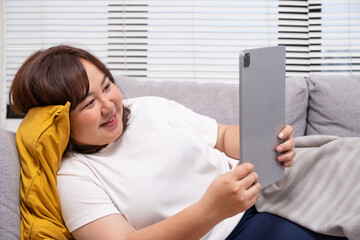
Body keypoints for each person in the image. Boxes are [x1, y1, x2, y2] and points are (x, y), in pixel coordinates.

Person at [9, 45, 345, 240]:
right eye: (88, 104)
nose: (110, 105)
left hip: (265, 196)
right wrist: (209, 211)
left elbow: (225, 137)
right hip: (231, 233)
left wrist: (267, 143)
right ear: (58, 120)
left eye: (107, 85)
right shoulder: (75, 177)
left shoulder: (146, 108)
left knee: (343, 161)